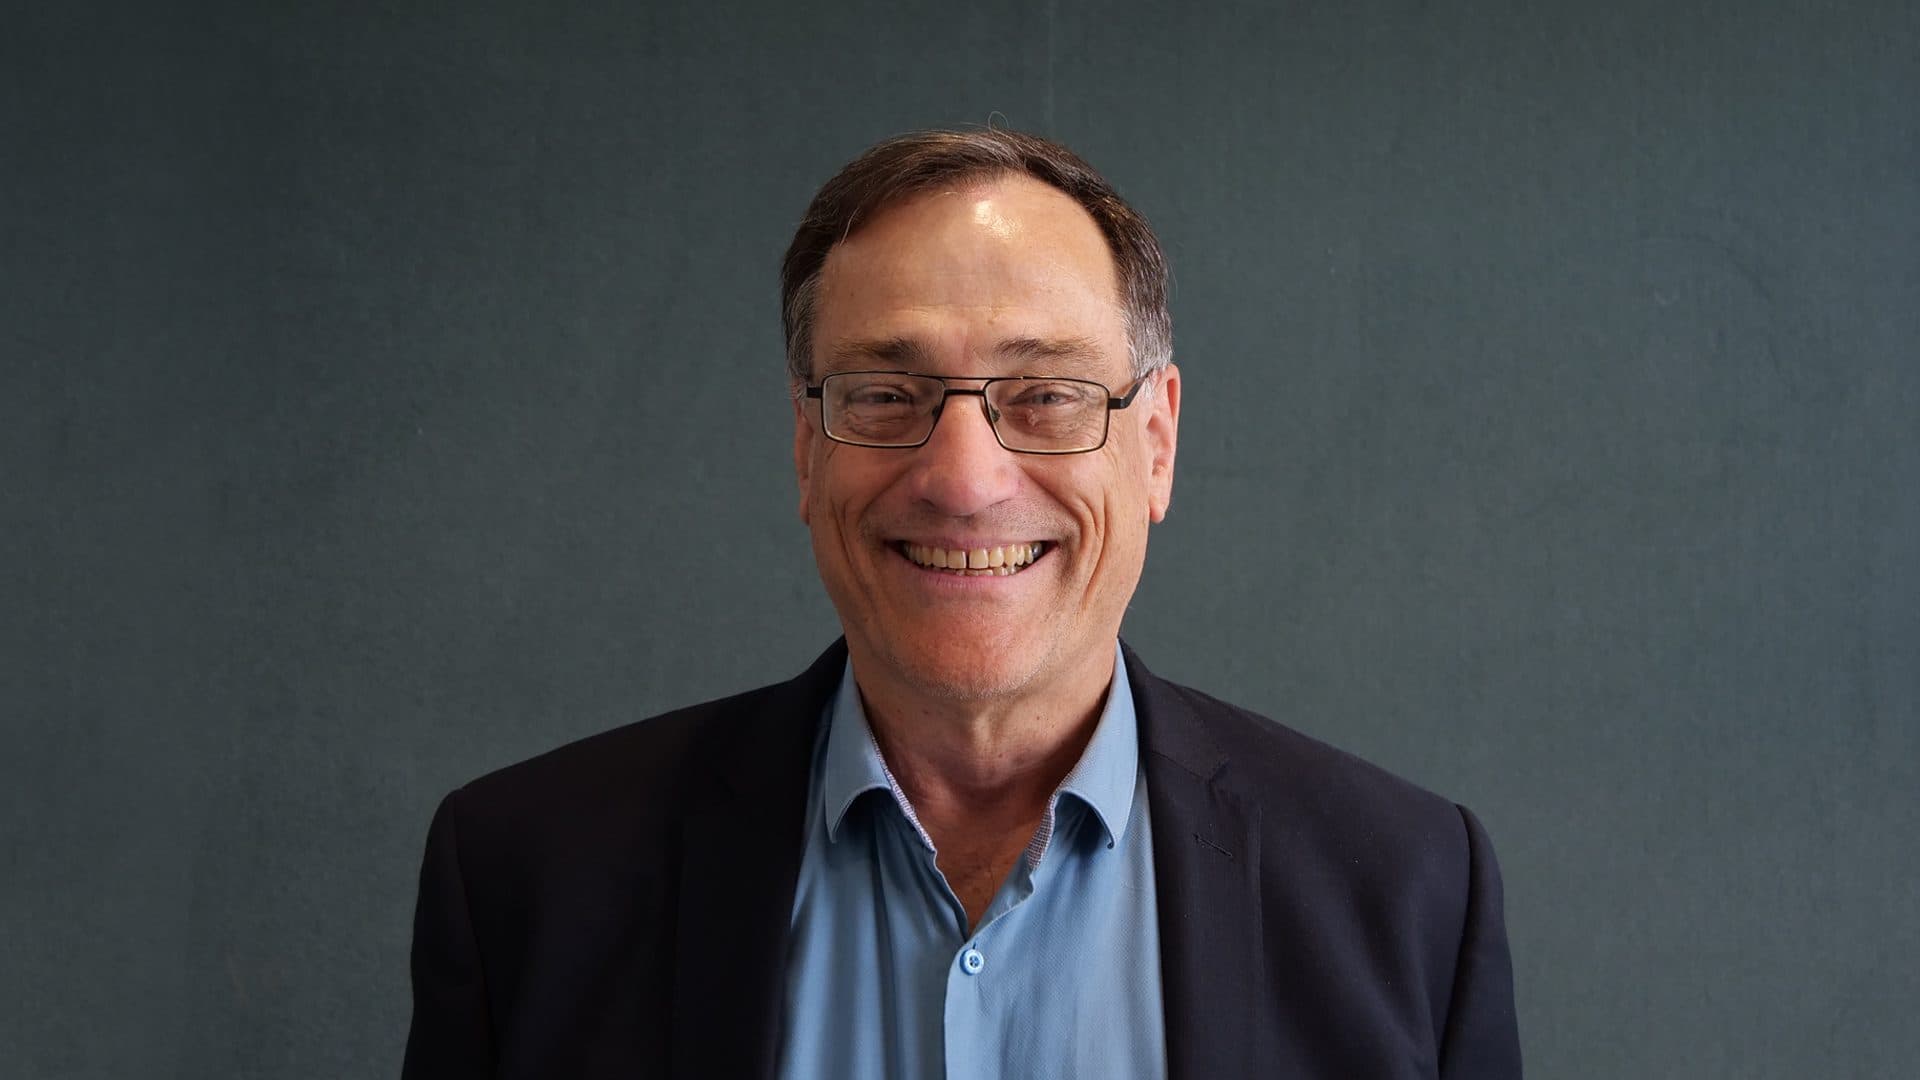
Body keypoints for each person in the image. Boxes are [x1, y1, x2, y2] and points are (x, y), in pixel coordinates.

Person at [401, 129, 1521, 1079]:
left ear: (1158, 443)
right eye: (888, 394)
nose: (965, 479)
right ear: (805, 448)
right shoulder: (529, 882)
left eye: (1046, 395)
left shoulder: (1411, 897)